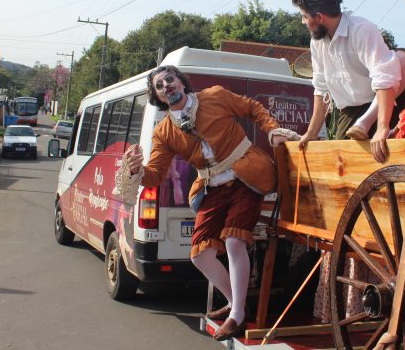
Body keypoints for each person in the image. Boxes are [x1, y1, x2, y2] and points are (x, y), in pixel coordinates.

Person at [115, 65, 299, 341]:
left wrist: (273, 130)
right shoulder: (164, 132)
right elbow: (155, 175)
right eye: (159, 86)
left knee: (234, 241)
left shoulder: (214, 96)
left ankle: (237, 314)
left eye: (170, 79)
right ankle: (237, 303)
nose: (167, 86)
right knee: (199, 255)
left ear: (181, 82)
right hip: (212, 187)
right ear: (158, 97)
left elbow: (252, 108)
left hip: (247, 176)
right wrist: (135, 170)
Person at [293, 0, 402, 163]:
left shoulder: (362, 30)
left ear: (319, 17)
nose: (303, 22)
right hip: (348, 113)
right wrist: (311, 133)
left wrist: (382, 127)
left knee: (385, 166)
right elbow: (321, 89)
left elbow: (384, 77)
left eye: (304, 16)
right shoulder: (316, 43)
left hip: (382, 106)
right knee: (344, 166)